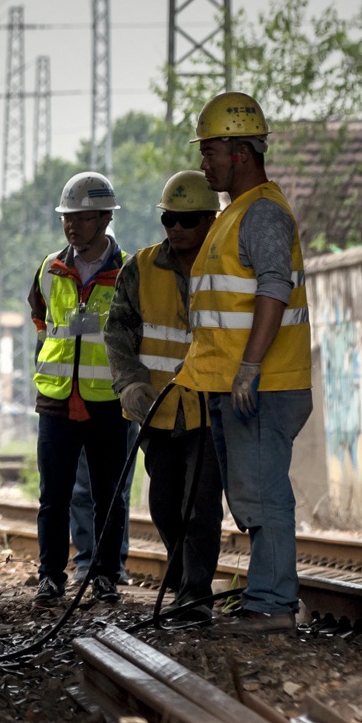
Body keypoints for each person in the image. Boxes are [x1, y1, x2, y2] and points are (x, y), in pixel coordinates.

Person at [171, 92, 313, 638]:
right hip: (234, 386)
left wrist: (251, 365)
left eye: (211, 151)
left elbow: (274, 287)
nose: (203, 163)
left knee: (263, 493)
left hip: (261, 385)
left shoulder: (262, 214)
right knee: (249, 493)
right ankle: (266, 596)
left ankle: (273, 603)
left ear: (242, 152)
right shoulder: (235, 215)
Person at [106, 170, 224, 621]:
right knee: (164, 503)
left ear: (210, 221)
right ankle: (181, 580)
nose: (176, 228)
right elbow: (118, 329)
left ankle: (195, 593)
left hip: (209, 409)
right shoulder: (141, 267)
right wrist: (131, 382)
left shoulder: (225, 268)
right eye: (168, 219)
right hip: (157, 409)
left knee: (200, 505)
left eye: (187, 220)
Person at [25, 170, 132, 605]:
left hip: (109, 401)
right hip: (55, 400)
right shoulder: (50, 268)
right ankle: (50, 575)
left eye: (83, 218)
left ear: (105, 219)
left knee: (110, 496)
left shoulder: (128, 273)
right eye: (68, 217)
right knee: (54, 496)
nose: (72, 225)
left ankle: (106, 574)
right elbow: (40, 319)